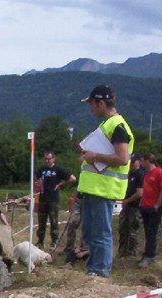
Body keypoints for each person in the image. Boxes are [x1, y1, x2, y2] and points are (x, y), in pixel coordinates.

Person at [77, 85, 134, 278]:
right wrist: (88, 157)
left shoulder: (117, 126)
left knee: (101, 233)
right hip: (94, 189)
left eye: (92, 104)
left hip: (104, 189)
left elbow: (122, 158)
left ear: (101, 103)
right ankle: (94, 269)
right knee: (91, 232)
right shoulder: (107, 125)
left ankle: (100, 271)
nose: (90, 108)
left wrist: (95, 156)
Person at [36, 151, 76, 249]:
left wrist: (60, 184)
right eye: (45, 159)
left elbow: (72, 179)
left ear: (53, 159)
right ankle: (40, 242)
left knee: (54, 222)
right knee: (41, 222)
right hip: (42, 199)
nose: (47, 161)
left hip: (53, 199)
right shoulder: (42, 169)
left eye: (49, 159)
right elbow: (36, 177)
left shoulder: (58, 169)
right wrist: (38, 183)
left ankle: (54, 242)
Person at [117, 154, 145, 258]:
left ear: (138, 162)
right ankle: (122, 251)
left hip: (135, 206)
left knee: (132, 230)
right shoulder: (129, 174)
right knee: (123, 228)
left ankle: (131, 253)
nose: (131, 164)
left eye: (133, 162)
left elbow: (139, 193)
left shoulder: (140, 174)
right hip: (127, 205)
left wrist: (127, 200)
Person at [137, 154, 162, 268]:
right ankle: (147, 253)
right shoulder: (146, 173)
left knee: (152, 231)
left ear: (147, 161)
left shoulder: (159, 172)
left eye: (142, 161)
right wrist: (141, 203)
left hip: (154, 207)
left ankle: (150, 255)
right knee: (147, 231)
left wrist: (157, 204)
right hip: (145, 206)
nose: (141, 163)